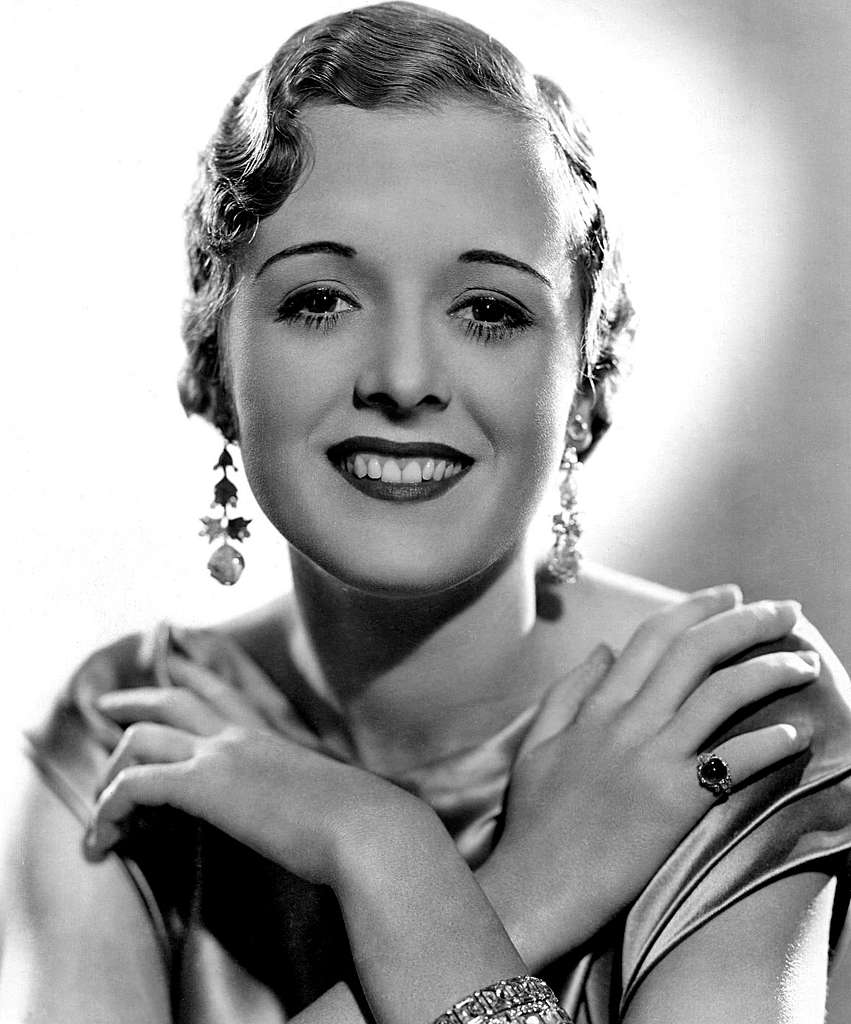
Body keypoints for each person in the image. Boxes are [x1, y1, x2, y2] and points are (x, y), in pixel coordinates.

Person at [3, 3, 850, 1022]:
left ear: (579, 372)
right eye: (319, 299)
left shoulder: (723, 713)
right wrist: (473, 873)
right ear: (215, 349)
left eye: (488, 310)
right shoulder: (131, 734)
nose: (402, 379)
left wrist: (381, 854)